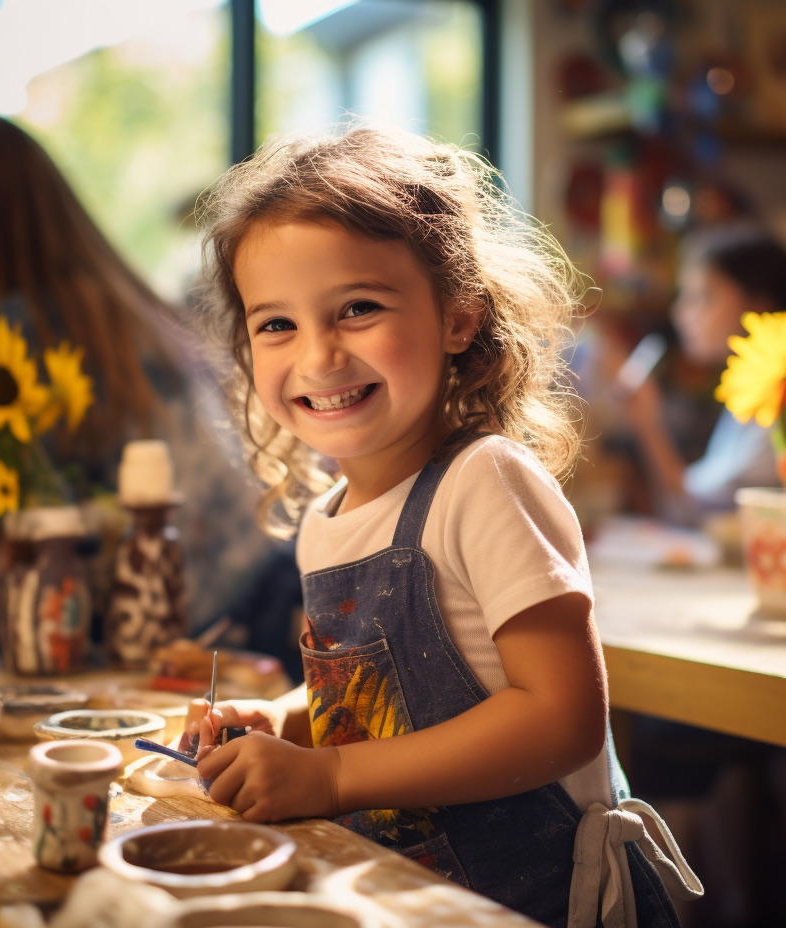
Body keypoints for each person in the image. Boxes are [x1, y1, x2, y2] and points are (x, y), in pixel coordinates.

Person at [188, 125, 702, 928]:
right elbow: (370, 705)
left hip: (547, 903)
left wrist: (325, 779)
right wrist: (284, 724)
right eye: (276, 324)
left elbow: (562, 717)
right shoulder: (326, 523)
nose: (319, 356)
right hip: (417, 900)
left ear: (459, 318)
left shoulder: (483, 483)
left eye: (358, 308)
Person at [0, 111, 297, 645]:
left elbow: (40, 511)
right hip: (258, 572)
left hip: (177, 616)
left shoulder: (21, 328)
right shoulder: (115, 298)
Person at [619, 224, 786, 526]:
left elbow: (698, 511)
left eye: (703, 296)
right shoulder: (749, 391)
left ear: (760, 305)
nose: (681, 313)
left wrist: (649, 424)